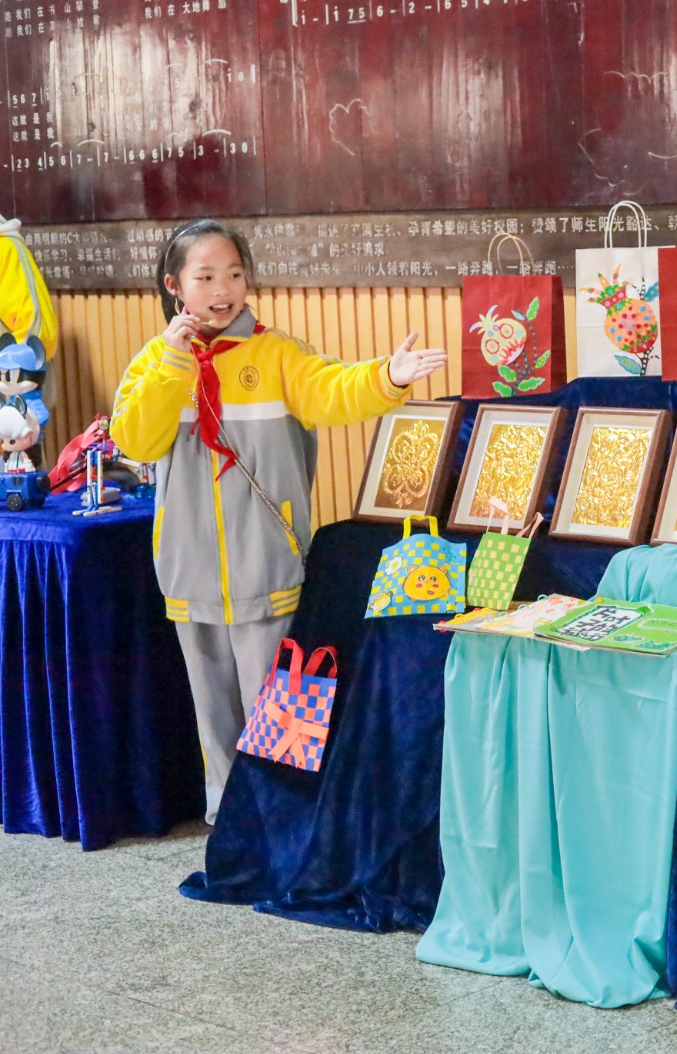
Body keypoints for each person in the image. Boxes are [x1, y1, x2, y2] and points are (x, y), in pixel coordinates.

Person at [111, 220, 447, 823]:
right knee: (212, 714)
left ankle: (284, 822)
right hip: (189, 570)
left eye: (234, 274)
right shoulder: (154, 363)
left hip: (266, 565)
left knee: (279, 709)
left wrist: (388, 377)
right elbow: (135, 439)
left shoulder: (277, 353)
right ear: (174, 286)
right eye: (205, 277)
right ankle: (228, 822)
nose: (223, 289)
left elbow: (333, 390)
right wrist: (173, 364)